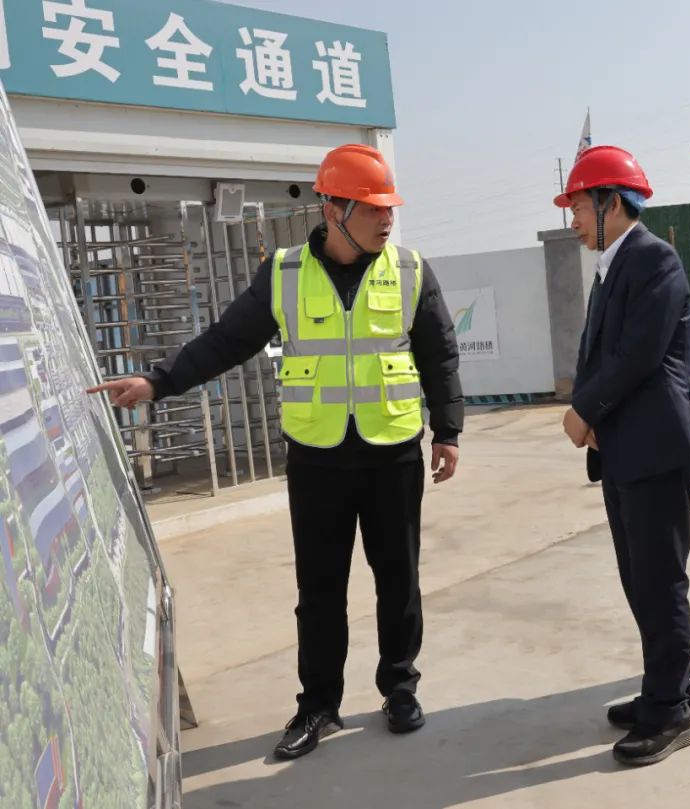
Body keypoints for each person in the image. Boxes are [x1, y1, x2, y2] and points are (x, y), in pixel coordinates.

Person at [87, 144, 463, 760]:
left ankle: (399, 687)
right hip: (317, 458)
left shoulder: (410, 270)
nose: (387, 218)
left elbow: (439, 354)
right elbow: (227, 340)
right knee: (320, 590)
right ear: (333, 209)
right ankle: (318, 705)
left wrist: (447, 431)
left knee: (399, 581)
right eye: (372, 207)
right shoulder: (284, 273)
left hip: (392, 452)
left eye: (389, 207)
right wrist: (158, 381)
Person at [555, 145, 690, 766]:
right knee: (639, 577)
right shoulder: (613, 265)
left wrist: (584, 409)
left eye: (578, 207)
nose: (573, 221)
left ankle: (670, 712)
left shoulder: (653, 259)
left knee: (659, 578)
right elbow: (601, 351)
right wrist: (596, 416)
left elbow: (638, 354)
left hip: (657, 446)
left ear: (611, 203)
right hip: (627, 445)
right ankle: (668, 687)